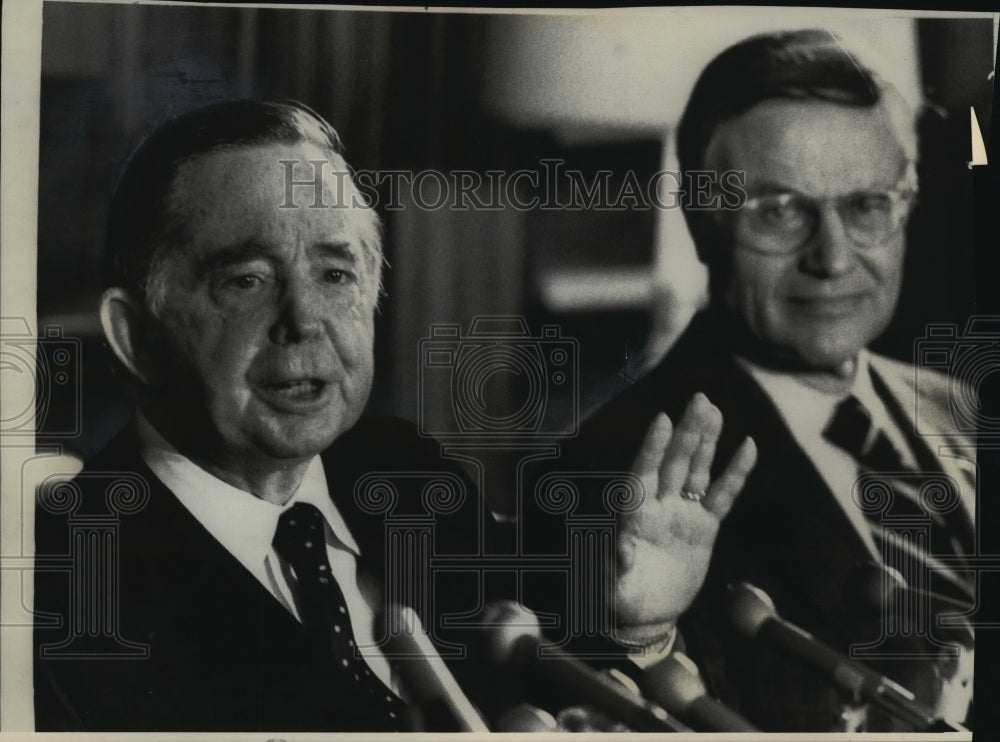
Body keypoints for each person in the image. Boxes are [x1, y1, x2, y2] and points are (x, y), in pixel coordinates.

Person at [33, 99, 756, 732]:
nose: (304, 320)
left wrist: (640, 627)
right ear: (134, 336)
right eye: (246, 280)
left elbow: (556, 687)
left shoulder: (405, 472)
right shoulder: (65, 587)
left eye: (336, 273)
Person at [571, 30, 976, 732]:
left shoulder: (963, 406)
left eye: (867, 205)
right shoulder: (613, 467)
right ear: (702, 223)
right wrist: (642, 641)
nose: (832, 257)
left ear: (906, 204)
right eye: (780, 211)